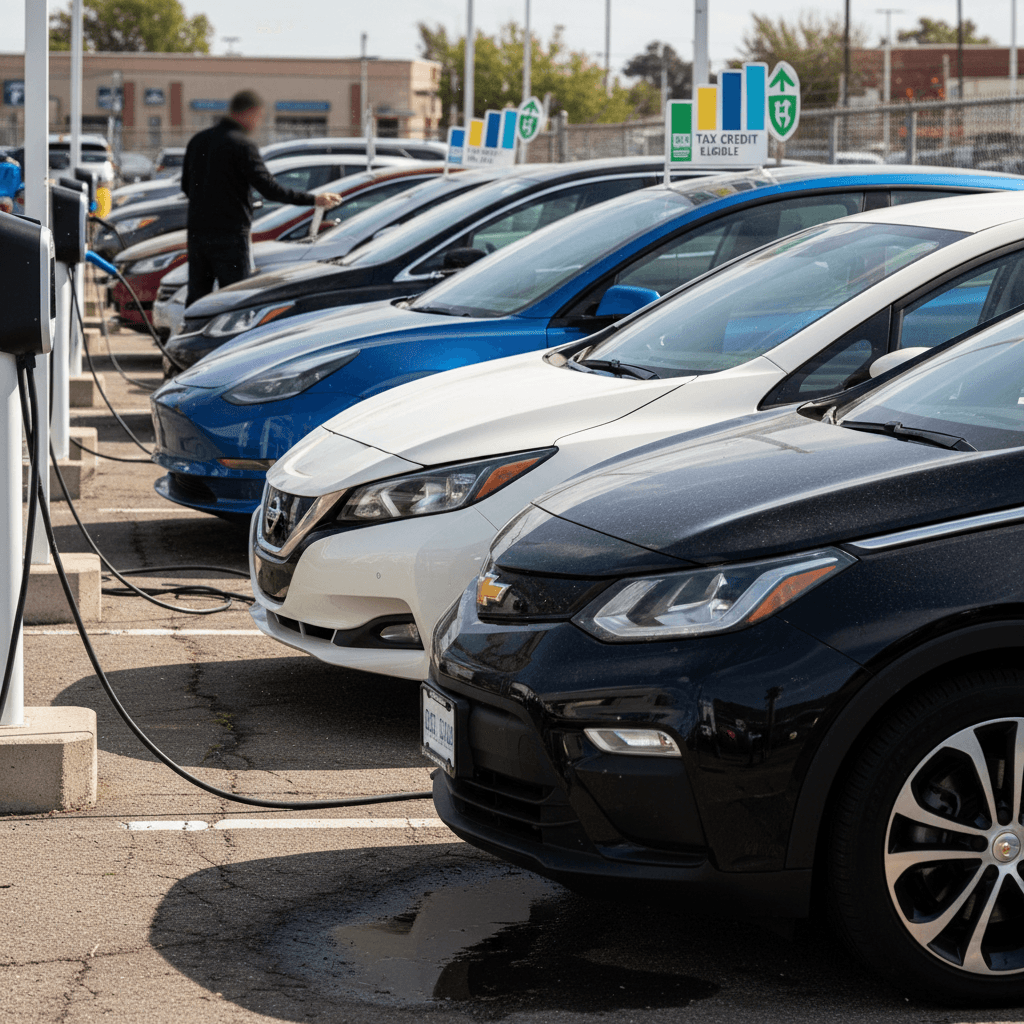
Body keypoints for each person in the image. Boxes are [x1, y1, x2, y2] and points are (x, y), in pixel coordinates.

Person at [181, 89, 341, 306]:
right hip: (230, 234)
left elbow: (186, 186)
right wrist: (313, 199)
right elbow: (268, 188)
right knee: (234, 299)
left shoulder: (199, 140)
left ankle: (191, 337)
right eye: (259, 116)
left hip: (198, 233)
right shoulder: (242, 145)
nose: (258, 122)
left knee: (198, 297)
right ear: (250, 112)